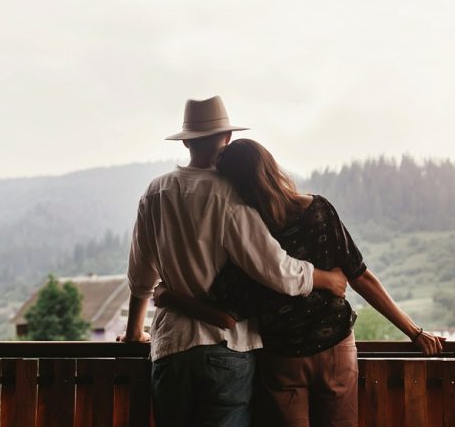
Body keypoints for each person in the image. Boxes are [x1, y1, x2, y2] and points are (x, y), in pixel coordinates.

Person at [155, 138, 444, 427]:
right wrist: (414, 333)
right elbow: (360, 276)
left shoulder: (248, 237)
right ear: (269, 166)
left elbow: (226, 315)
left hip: (283, 359)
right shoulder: (317, 211)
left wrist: (168, 296)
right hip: (335, 346)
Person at [117, 97, 348, 427]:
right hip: (227, 347)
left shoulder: (155, 192)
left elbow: (140, 278)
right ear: (225, 139)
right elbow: (278, 272)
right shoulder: (231, 194)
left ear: (185, 141)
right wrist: (326, 279)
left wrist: (133, 335)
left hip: (170, 348)